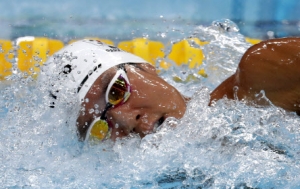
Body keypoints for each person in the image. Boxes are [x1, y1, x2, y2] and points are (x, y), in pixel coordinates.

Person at [44, 37, 300, 143]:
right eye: (100, 126)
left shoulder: (265, 70)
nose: (122, 120)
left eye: (117, 90)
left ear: (145, 67)